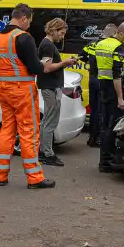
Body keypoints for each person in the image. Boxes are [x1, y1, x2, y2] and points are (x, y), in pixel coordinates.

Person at [0, 4, 55, 189]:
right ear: (24, 18)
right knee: (28, 132)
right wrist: (41, 63)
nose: (29, 26)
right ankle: (34, 178)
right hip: (22, 90)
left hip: (4, 88)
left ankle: (1, 175)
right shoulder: (24, 38)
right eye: (30, 22)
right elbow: (36, 68)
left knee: (7, 130)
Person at [37, 18, 79, 167]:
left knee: (47, 120)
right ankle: (47, 153)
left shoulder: (46, 44)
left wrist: (63, 63)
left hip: (50, 86)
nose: (62, 37)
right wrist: (65, 63)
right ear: (53, 30)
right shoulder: (48, 45)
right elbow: (47, 68)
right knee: (50, 121)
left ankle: (43, 151)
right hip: (51, 87)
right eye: (61, 33)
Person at [96, 22, 124, 173]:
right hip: (114, 89)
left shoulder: (102, 43)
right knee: (113, 127)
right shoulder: (118, 48)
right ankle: (108, 161)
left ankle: (104, 161)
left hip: (103, 86)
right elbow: (117, 74)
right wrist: (120, 97)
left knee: (105, 125)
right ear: (122, 34)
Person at [82, 23, 117, 148]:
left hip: (92, 79)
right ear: (112, 33)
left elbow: (83, 55)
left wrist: (90, 64)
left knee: (94, 110)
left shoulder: (92, 43)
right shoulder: (110, 45)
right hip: (102, 80)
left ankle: (92, 137)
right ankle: (99, 139)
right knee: (102, 111)